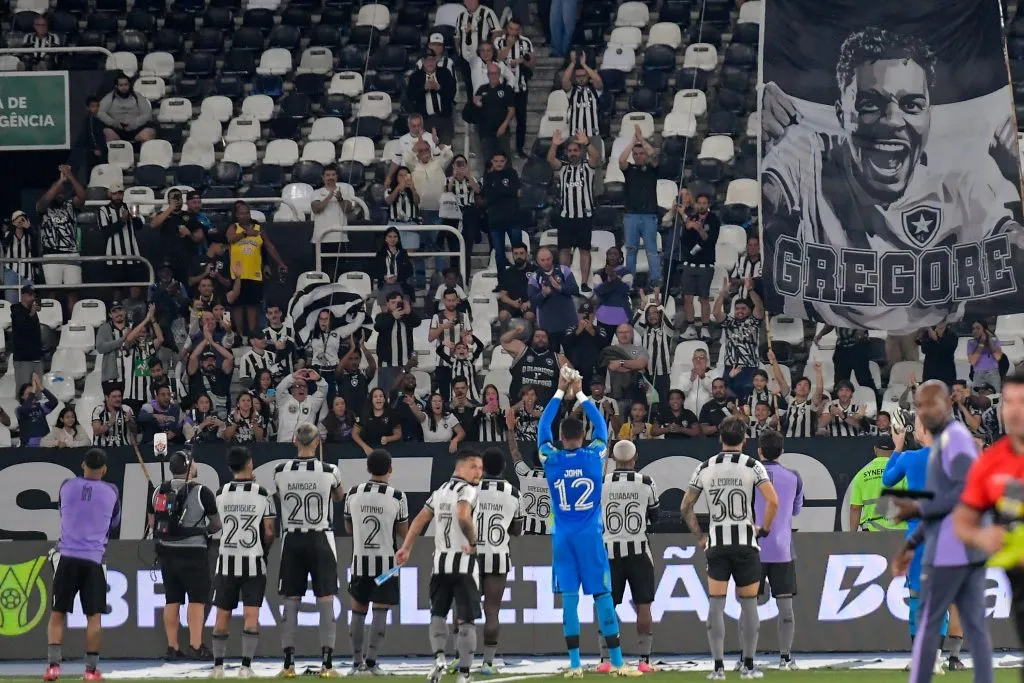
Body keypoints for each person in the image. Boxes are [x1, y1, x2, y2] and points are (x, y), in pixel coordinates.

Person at [760, 29, 1020, 329]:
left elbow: (1016, 248)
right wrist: (765, 146)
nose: (893, 121)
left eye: (912, 105)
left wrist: (1016, 169)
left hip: (935, 338)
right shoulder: (809, 153)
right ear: (841, 112)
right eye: (870, 103)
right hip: (832, 333)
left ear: (929, 114)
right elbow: (769, 199)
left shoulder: (961, 177)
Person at [536, 370, 639, 677]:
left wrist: (558, 392)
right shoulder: (594, 455)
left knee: (569, 599)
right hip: (590, 537)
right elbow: (604, 431)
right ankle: (618, 663)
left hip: (563, 538)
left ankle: (576, 665)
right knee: (602, 596)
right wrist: (580, 393)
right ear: (581, 437)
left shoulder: (550, 458)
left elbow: (543, 428)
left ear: (561, 438)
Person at [889, 382, 991, 683]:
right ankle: (946, 659)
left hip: (941, 540)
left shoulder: (929, 451)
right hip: (951, 537)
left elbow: (891, 478)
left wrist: (897, 449)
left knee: (927, 603)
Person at [680, 415, 779, 680]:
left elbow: (685, 506)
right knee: (749, 606)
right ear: (745, 440)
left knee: (716, 605)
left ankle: (718, 668)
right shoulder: (753, 465)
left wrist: (701, 537)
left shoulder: (705, 467)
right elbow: (773, 501)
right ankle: (748, 665)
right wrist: (764, 529)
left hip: (717, 544)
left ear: (720, 438)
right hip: (746, 542)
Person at [396, 450, 484, 683]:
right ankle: (464, 674)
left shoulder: (440, 491)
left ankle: (438, 660)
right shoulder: (468, 490)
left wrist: (406, 547)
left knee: (438, 613)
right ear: (460, 467)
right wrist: (472, 542)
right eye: (474, 467)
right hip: (464, 565)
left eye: (481, 468)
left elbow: (419, 520)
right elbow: (463, 515)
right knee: (466, 620)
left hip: (440, 565)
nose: (479, 472)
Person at [883, 417, 963, 671]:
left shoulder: (908, 458)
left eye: (916, 425)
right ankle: (934, 659)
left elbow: (887, 480)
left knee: (917, 598)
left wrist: (896, 448)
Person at [954, 376, 1024, 662]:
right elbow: (962, 520)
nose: (1015, 410)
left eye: (1023, 402)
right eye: (1008, 402)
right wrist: (980, 536)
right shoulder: (991, 462)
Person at [43, 448, 121, 682]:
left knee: (57, 613)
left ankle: (53, 667)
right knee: (94, 617)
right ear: (105, 469)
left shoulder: (67, 486)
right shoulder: (112, 491)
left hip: (67, 556)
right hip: (93, 559)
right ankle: (90, 671)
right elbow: (114, 522)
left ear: (82, 465)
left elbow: (61, 512)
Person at [273, 423, 345, 676]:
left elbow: (280, 495)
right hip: (320, 538)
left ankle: (288, 664)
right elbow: (339, 496)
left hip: (292, 538)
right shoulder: (329, 470)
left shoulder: (280, 470)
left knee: (291, 600)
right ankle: (327, 664)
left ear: (295, 440)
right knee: (325, 599)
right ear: (317, 442)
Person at [147, 450, 221, 661]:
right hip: (193, 552)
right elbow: (216, 524)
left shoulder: (158, 491)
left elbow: (153, 523)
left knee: (172, 599)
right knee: (197, 600)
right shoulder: (202, 492)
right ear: (189, 466)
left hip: (166, 552)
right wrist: (202, 531)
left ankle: (172, 647)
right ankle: (196, 645)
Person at [209, 446, 276, 679]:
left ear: (230, 468)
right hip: (254, 560)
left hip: (226, 560)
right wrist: (264, 551)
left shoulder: (220, 492)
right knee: (251, 615)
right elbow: (269, 531)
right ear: (250, 464)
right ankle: (245, 667)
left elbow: (215, 525)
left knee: (222, 615)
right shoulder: (262, 493)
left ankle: (218, 667)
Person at [344, 449, 410, 675]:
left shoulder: (353, 492)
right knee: (380, 613)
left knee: (358, 613)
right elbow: (403, 532)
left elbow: (348, 527)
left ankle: (355, 664)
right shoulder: (397, 496)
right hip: (386, 566)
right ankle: (372, 663)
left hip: (360, 561)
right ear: (390, 470)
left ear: (368, 469)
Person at [597, 440, 660, 673]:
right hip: (638, 550)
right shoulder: (646, 482)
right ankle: (644, 660)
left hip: (609, 550)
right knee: (643, 605)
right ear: (635, 458)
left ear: (613, 459)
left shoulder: (602, 482)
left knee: (607, 605)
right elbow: (656, 515)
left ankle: (605, 660)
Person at [752, 431, 803, 670]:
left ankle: (746, 658)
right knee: (785, 608)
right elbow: (795, 511)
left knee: (748, 606)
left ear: (759, 451)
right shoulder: (793, 476)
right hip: (782, 549)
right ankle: (785, 657)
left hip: (753, 550)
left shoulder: (749, 476)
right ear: (782, 451)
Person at [475, 447, 524, 675]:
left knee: (464, 610)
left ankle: (460, 657)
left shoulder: (470, 489)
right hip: (498, 555)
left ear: (482, 468)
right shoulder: (514, 493)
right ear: (504, 468)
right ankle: (487, 663)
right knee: (492, 611)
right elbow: (517, 529)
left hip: (471, 556)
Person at [226, 201, 287, 340]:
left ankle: (253, 335)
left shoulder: (259, 229)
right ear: (236, 215)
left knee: (252, 305)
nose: (244, 215)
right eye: (241, 213)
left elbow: (269, 247)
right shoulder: (233, 227)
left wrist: (280, 263)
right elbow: (230, 239)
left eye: (246, 212)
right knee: (238, 305)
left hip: (254, 273)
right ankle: (240, 336)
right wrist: (246, 234)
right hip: (237, 273)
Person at [548, 129, 600, 291]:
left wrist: (587, 142)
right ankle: (564, 281)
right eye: (570, 151)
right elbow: (550, 160)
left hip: (585, 216)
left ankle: (584, 283)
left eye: (575, 150)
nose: (572, 154)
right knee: (564, 250)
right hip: (566, 216)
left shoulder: (588, 167)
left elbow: (596, 158)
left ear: (581, 152)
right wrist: (554, 145)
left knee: (585, 250)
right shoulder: (563, 168)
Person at [669, 192, 720, 341]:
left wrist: (698, 229)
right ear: (696, 204)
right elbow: (684, 240)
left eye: (705, 203)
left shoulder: (714, 220)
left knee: (704, 298)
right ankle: (690, 326)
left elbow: (711, 241)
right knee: (688, 297)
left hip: (706, 264)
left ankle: (704, 327)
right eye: (700, 203)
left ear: (708, 205)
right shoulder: (692, 217)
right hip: (690, 263)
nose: (702, 206)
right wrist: (688, 226)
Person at [36, 165, 86, 307]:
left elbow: (83, 197)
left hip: (72, 254)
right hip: (51, 255)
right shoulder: (44, 207)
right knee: (52, 293)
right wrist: (59, 182)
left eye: (63, 191)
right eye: (57, 191)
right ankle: (54, 324)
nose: (60, 193)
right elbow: (42, 202)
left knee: (73, 292)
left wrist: (69, 176)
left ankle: (72, 324)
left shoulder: (70, 204)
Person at [619, 127, 661, 288]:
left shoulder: (652, 169)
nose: (638, 156)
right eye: (635, 154)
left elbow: (654, 156)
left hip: (649, 215)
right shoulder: (629, 170)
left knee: (651, 250)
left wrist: (642, 140)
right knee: (631, 250)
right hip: (631, 215)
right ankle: (629, 280)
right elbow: (621, 161)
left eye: (641, 153)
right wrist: (632, 142)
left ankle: (655, 280)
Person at [712, 281, 765, 401]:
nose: (740, 311)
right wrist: (722, 295)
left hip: (749, 367)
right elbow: (716, 313)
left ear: (749, 310)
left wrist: (750, 290)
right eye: (737, 309)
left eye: (743, 309)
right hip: (730, 367)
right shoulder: (729, 322)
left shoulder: (753, 322)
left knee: (748, 399)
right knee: (728, 398)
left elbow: (760, 309)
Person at [503, 408, 552, 536]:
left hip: (527, 531)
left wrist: (510, 429)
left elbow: (514, 452)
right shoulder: (555, 479)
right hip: (548, 532)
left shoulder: (525, 474)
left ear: (533, 461)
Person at [493, 17, 534, 157]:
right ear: (506, 28)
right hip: (504, 87)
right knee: (502, 118)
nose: (513, 32)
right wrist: (509, 46)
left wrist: (522, 61)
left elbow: (532, 61)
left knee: (521, 119)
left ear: (520, 30)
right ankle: (502, 150)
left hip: (521, 86)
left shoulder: (526, 42)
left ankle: (520, 149)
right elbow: (497, 57)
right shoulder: (499, 41)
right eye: (511, 29)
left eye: (516, 29)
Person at [849, 436, 907, 531]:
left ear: (875, 449)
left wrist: (852, 536)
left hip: (872, 532)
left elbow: (855, 508)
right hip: (898, 531)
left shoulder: (861, 474)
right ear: (895, 450)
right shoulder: (902, 472)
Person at [527, 246, 580, 349]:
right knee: (551, 357)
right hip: (548, 327)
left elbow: (575, 290)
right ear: (537, 261)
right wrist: (543, 294)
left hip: (569, 323)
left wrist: (559, 287)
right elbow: (533, 301)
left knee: (571, 358)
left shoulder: (564, 270)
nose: (546, 262)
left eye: (548, 259)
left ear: (553, 258)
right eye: (542, 260)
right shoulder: (534, 277)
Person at [501, 322, 566, 405]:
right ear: (532, 339)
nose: (540, 339)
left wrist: (568, 392)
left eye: (543, 337)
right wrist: (516, 331)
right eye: (537, 336)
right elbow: (504, 341)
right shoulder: (522, 350)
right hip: (520, 405)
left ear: (548, 340)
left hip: (547, 407)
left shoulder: (557, 357)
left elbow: (573, 375)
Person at [481, 150, 522, 276]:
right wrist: (505, 191)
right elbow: (488, 196)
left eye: (501, 161)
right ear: (492, 162)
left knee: (518, 251)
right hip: (495, 220)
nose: (499, 164)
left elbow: (514, 190)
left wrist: (498, 190)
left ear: (506, 162)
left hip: (513, 218)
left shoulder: (512, 173)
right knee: (499, 253)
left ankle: (520, 277)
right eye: (496, 161)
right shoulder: (488, 177)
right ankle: (502, 281)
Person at [374, 290, 421, 393]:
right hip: (387, 364)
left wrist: (410, 312)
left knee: (403, 395)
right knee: (386, 393)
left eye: (398, 302)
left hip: (405, 363)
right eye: (393, 302)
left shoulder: (407, 318)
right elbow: (378, 326)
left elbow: (417, 322)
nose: (396, 305)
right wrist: (392, 317)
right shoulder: (382, 317)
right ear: (387, 304)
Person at [98, 182, 144, 284]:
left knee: (135, 285)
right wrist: (122, 221)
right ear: (110, 195)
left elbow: (139, 226)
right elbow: (105, 232)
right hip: (114, 255)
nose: (118, 196)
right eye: (115, 193)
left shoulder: (131, 207)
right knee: (116, 287)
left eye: (120, 193)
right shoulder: (103, 210)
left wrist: (135, 217)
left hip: (132, 253)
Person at [473, 65, 516, 170]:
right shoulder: (482, 89)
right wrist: (475, 104)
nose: (493, 76)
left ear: (499, 74)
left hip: (502, 132)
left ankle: (508, 183)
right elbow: (474, 108)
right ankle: (489, 184)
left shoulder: (506, 90)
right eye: (490, 73)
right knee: (488, 162)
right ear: (487, 75)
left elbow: (511, 110)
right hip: (485, 132)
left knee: (505, 160)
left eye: (495, 73)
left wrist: (504, 125)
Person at [454, 0, 501, 97]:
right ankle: (472, 109)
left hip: (481, 59)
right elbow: (457, 36)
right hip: (465, 59)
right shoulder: (461, 16)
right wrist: (458, 51)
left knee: (483, 87)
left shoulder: (487, 12)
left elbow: (497, 32)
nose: (470, 2)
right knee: (469, 87)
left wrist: (489, 51)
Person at [408, 54, 458, 145]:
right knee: (426, 149)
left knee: (446, 152)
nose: (430, 63)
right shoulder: (415, 76)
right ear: (423, 61)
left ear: (436, 61)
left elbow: (452, 94)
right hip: (424, 120)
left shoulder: (445, 73)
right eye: (427, 60)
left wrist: (439, 88)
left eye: (432, 60)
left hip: (444, 118)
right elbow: (411, 97)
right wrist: (423, 89)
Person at [97, 74, 156, 143]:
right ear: (116, 86)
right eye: (121, 85)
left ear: (129, 85)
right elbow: (100, 112)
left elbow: (147, 114)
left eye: (126, 85)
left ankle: (145, 153)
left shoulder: (138, 96)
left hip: (136, 129)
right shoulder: (110, 97)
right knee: (106, 132)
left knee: (148, 133)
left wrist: (135, 123)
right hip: (117, 129)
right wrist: (113, 123)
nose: (124, 87)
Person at [275, 369, 329, 443]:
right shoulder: (284, 400)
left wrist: (319, 379)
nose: (302, 388)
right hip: (283, 445)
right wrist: (293, 377)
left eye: (304, 386)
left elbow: (323, 392)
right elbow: (280, 389)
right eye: (298, 386)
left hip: (304, 447)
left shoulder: (312, 402)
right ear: (292, 390)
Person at [310, 165, 355, 248]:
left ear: (337, 177)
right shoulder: (316, 192)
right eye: (328, 175)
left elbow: (348, 209)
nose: (331, 177)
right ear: (323, 177)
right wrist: (329, 196)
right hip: (320, 238)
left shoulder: (345, 192)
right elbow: (316, 209)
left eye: (333, 175)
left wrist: (340, 199)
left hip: (340, 238)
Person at [10, 284, 43, 393]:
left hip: (36, 357)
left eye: (34, 295)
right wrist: (32, 313)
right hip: (23, 358)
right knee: (23, 392)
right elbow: (21, 327)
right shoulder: (16, 310)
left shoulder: (33, 312)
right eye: (30, 295)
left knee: (37, 392)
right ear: (23, 295)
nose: (33, 298)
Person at [561, 51, 603, 137]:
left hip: (593, 133)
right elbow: (565, 80)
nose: (581, 78)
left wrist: (584, 65)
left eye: (583, 76)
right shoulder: (572, 90)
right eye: (578, 76)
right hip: (575, 134)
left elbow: (598, 80)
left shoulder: (594, 90)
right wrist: (573, 63)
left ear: (588, 75)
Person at [352, 388, 402, 454]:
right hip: (367, 450)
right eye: (375, 396)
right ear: (371, 400)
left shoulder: (392, 414)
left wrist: (388, 439)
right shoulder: (364, 413)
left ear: (384, 399)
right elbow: (354, 434)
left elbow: (398, 434)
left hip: (387, 450)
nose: (378, 398)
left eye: (381, 396)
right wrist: (364, 447)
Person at [3, 210, 37, 304]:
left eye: (22, 219)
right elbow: (4, 244)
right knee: (11, 302)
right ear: (13, 221)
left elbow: (36, 247)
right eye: (18, 219)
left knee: (30, 301)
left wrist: (29, 228)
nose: (20, 221)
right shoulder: (8, 235)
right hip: (11, 270)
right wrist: (13, 228)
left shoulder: (30, 235)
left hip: (28, 272)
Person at [967, 319, 1003, 391]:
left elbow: (998, 357)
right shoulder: (971, 343)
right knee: (977, 399)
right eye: (973, 329)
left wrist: (989, 341)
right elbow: (973, 361)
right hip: (978, 374)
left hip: (993, 374)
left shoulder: (994, 341)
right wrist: (981, 344)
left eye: (978, 328)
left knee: (995, 398)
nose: (975, 331)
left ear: (985, 330)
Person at [919, 323, 957, 387]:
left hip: (946, 375)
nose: (940, 322)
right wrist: (931, 338)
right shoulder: (927, 334)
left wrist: (936, 339)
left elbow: (947, 350)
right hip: (930, 374)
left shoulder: (952, 335)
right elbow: (924, 350)